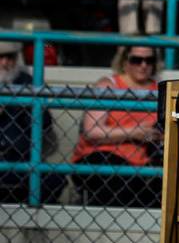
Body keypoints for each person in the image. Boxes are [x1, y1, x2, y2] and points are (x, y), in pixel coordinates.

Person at [71, 46, 162, 207]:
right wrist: (134, 133)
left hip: (142, 162)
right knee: (122, 182)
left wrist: (152, 135)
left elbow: (156, 132)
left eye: (149, 60)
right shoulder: (110, 85)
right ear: (125, 60)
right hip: (102, 155)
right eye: (136, 60)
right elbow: (92, 131)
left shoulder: (158, 90)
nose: (143, 65)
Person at [0, 41, 63, 204]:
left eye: (9, 57)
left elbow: (45, 124)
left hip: (19, 160)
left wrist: (25, 105)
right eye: (0, 57)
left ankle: (28, 222)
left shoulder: (25, 81)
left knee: (54, 180)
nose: (5, 63)